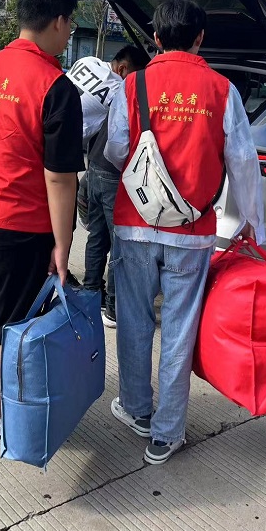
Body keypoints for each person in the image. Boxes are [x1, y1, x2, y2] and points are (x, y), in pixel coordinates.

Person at [105, 0, 264, 465]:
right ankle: (166, 432)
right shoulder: (222, 91)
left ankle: (136, 408)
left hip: (135, 223)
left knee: (134, 321)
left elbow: (116, 149)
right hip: (193, 232)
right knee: (178, 330)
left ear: (155, 37)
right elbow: (243, 161)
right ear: (200, 38)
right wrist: (251, 222)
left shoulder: (132, 85)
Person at [0, 0, 85, 451]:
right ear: (58, 21)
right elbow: (60, 179)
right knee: (8, 329)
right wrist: (63, 244)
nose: (69, 35)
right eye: (71, 25)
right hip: (20, 228)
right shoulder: (55, 87)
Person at [80, 46, 147, 326]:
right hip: (112, 173)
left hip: (93, 167)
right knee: (120, 242)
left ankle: (90, 297)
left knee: (97, 237)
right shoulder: (129, 92)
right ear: (124, 69)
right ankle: (113, 308)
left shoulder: (95, 70)